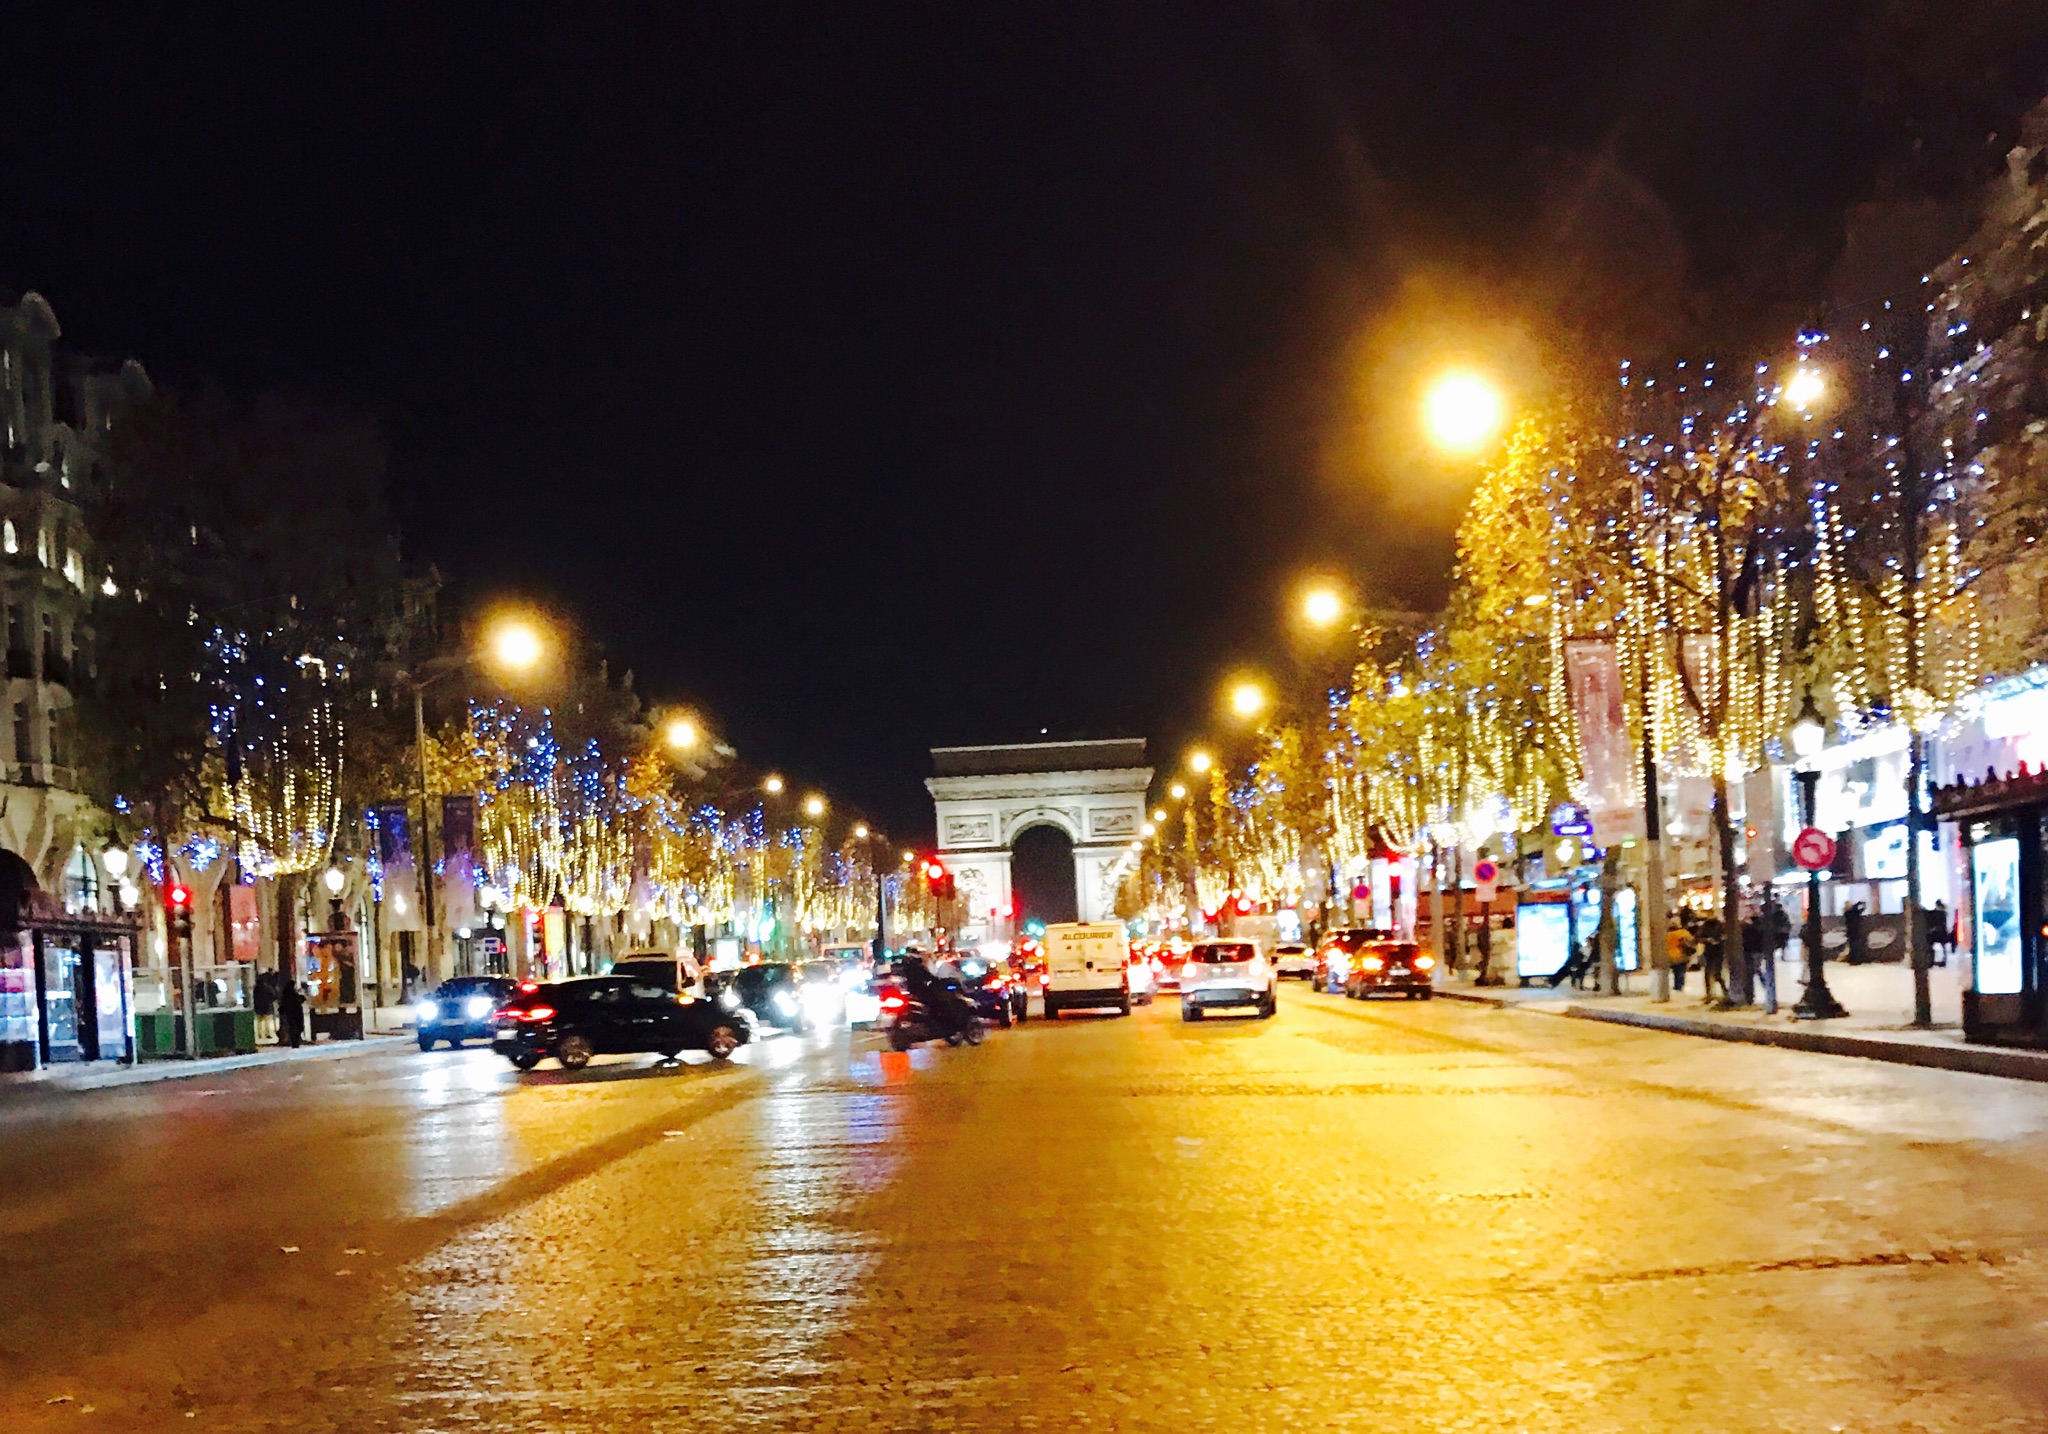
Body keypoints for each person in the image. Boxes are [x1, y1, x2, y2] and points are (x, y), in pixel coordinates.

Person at [278, 975, 305, 1048]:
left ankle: (294, 1041)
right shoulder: (292, 994)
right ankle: (295, 1041)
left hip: (290, 1014)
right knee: (297, 1027)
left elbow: (283, 1005)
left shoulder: (286, 994)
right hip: (296, 1013)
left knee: (292, 1027)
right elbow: (297, 1001)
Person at [1843, 901, 1869, 965]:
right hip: (1853, 932)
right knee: (1855, 946)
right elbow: (1855, 909)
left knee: (1855, 946)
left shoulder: (1851, 912)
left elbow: (1859, 911)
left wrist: (1862, 905)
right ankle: (1855, 959)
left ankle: (1856, 959)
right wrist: (1858, 903)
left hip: (1854, 931)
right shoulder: (1849, 912)